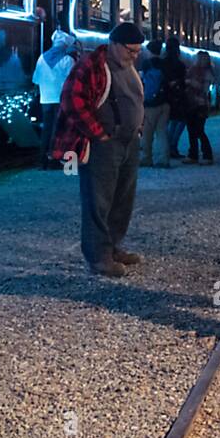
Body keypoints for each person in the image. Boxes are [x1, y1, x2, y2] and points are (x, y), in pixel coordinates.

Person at [51, 22, 147, 277]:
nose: (134, 56)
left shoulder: (127, 65)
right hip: (104, 143)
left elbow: (136, 100)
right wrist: (99, 134)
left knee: (122, 199)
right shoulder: (91, 65)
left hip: (127, 141)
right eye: (130, 50)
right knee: (99, 201)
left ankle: (113, 246)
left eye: (138, 51)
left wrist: (138, 127)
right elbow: (72, 101)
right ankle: (98, 256)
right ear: (114, 45)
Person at [32, 29, 77, 170]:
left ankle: (41, 160)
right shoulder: (68, 60)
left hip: (45, 99)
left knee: (47, 128)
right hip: (61, 99)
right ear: (64, 46)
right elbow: (73, 81)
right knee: (58, 130)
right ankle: (54, 159)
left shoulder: (42, 58)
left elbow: (36, 79)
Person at [139, 39, 170, 168]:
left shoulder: (147, 64)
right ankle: (163, 159)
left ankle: (147, 158)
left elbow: (141, 81)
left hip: (151, 103)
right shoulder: (165, 64)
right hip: (165, 103)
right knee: (162, 132)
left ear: (150, 51)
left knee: (147, 133)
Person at [184, 50, 216, 164]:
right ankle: (193, 154)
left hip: (200, 104)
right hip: (191, 102)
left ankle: (207, 155)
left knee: (199, 130)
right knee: (191, 130)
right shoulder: (193, 70)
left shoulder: (206, 73)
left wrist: (190, 82)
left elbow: (204, 88)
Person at [161, 36, 187, 160]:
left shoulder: (162, 62)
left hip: (165, 95)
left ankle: (169, 146)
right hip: (178, 96)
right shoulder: (180, 64)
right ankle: (173, 146)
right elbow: (183, 80)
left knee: (171, 122)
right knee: (180, 121)